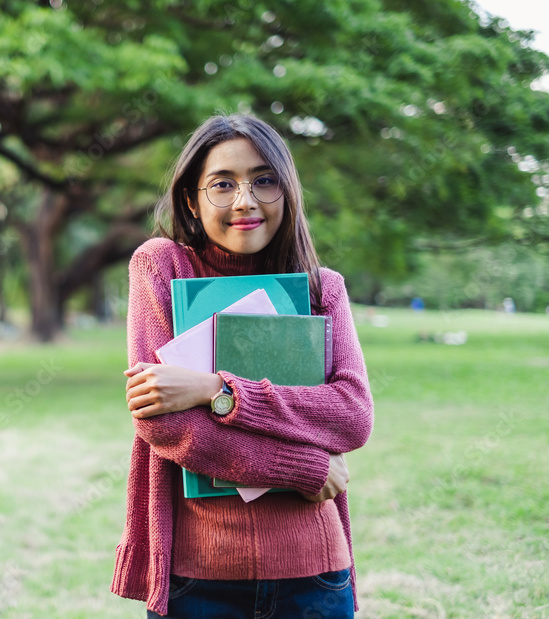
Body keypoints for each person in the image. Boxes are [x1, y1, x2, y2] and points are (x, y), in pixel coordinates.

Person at [111, 115, 374, 618]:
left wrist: (215, 389)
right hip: (198, 578)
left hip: (313, 575)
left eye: (264, 180)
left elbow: (351, 415)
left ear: (287, 191)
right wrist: (304, 465)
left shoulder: (322, 290)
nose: (244, 200)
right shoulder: (163, 268)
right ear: (191, 198)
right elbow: (162, 421)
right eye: (223, 184)